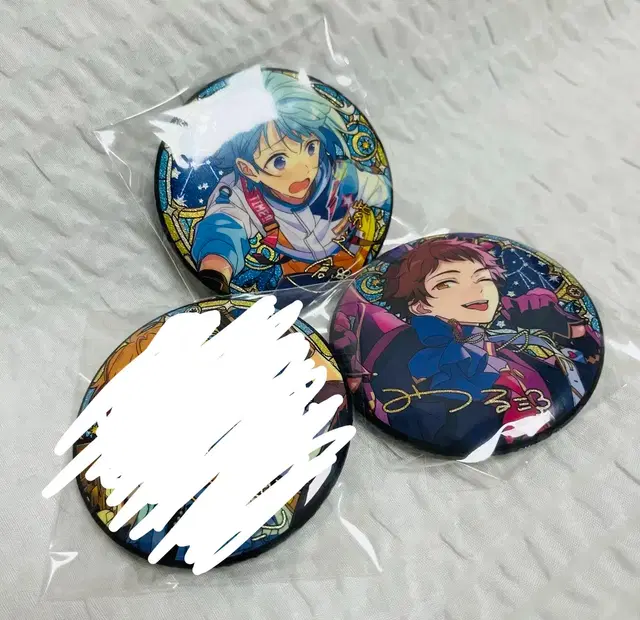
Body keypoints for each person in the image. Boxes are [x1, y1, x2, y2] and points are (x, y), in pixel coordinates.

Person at [332, 237, 602, 455]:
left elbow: (576, 370)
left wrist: (567, 327)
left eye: (483, 278)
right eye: (447, 282)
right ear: (419, 305)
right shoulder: (407, 352)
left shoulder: (506, 346)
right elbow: (417, 418)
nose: (477, 290)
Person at [191, 70, 391, 292]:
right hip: (300, 270)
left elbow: (380, 190)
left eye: (310, 148)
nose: (303, 170)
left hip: (356, 254)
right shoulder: (242, 196)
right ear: (248, 169)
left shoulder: (340, 176)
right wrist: (217, 265)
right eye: (279, 161)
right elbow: (224, 225)